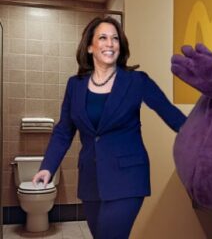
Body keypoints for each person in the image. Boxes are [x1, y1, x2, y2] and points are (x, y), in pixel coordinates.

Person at [32, 16, 186, 238]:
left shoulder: (136, 81)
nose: (110, 43)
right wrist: (47, 167)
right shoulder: (74, 85)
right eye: (102, 38)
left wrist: (207, 136)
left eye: (115, 38)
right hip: (91, 180)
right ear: (89, 47)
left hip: (128, 178)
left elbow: (171, 114)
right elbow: (64, 131)